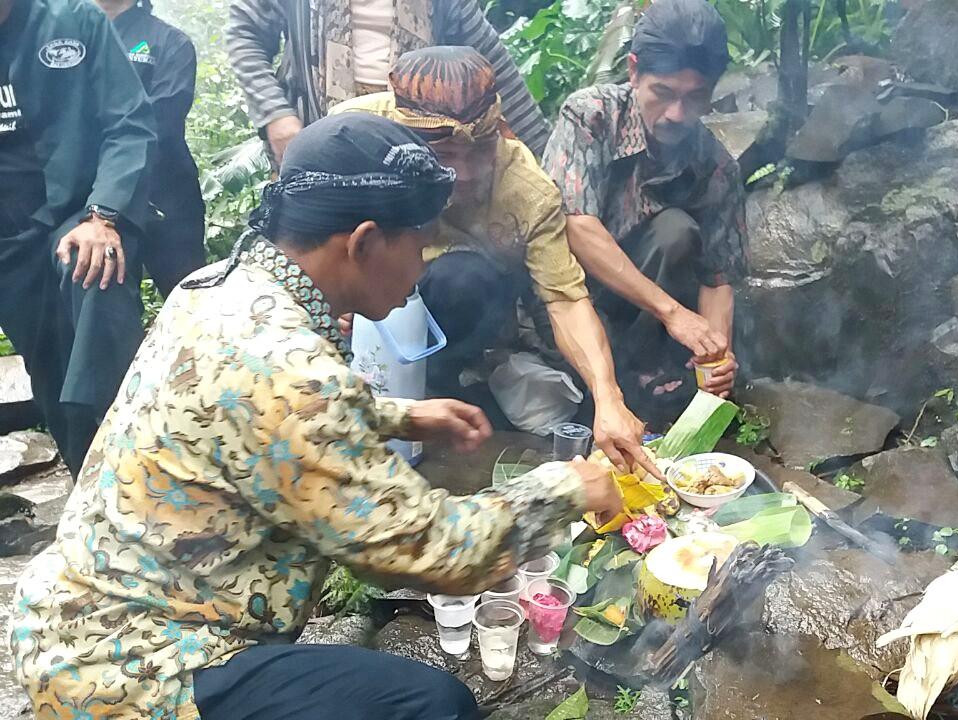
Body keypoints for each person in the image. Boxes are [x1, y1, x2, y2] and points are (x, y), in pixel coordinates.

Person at [9, 113, 623, 720]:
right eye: (418, 244)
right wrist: (567, 486)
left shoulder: (217, 286)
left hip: (75, 622)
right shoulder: (295, 378)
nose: (423, 267)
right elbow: (434, 549)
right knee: (431, 705)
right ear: (362, 242)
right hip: (134, 670)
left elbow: (252, 413)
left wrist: (397, 416)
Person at [332, 46, 661, 476]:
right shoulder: (352, 136)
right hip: (365, 297)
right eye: (446, 156)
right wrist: (339, 298)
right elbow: (308, 235)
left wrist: (608, 397)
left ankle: (450, 386)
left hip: (457, 296)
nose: (465, 173)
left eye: (481, 151)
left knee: (464, 279)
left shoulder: (527, 190)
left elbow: (566, 300)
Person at [542, 0, 745, 414]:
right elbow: (574, 224)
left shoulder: (717, 166)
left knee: (677, 230)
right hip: (570, 301)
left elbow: (718, 275)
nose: (676, 114)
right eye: (663, 93)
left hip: (644, 327)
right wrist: (673, 313)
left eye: (695, 98)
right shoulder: (591, 116)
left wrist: (716, 355)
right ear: (634, 71)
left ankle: (644, 380)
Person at [0, 0, 155, 478]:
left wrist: (102, 213)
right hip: (10, 235)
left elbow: (128, 123)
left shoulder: (74, 21)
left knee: (94, 279)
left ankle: (134, 450)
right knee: (47, 369)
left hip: (80, 212)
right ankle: (88, 485)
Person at [227, 0, 551, 167]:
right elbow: (246, 33)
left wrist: (547, 160)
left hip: (418, 142)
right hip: (321, 135)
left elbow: (494, 68)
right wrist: (276, 116)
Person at [97, 0, 206, 296]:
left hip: (169, 196)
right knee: (107, 299)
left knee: (187, 296)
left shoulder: (171, 42)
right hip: (96, 204)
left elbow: (162, 123)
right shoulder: (69, 42)